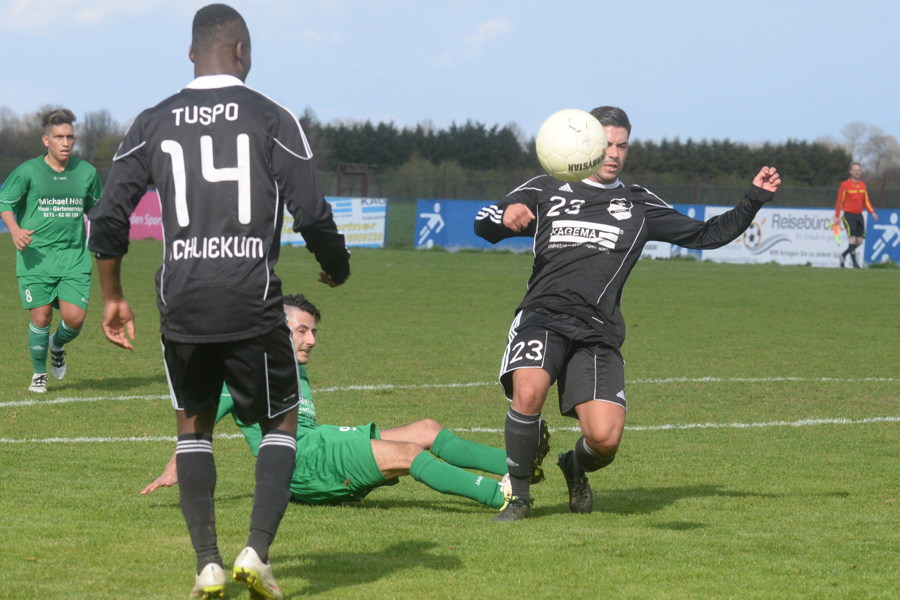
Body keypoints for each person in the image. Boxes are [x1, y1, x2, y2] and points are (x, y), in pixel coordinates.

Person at [87, 5, 350, 600]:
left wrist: (113, 296)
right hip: (250, 299)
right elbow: (311, 212)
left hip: (180, 302)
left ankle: (207, 564)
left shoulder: (151, 121)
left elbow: (107, 220)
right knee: (282, 418)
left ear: (190, 54)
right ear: (241, 51)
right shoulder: (272, 116)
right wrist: (337, 267)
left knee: (194, 426)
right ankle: (255, 553)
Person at [474, 106, 782, 521]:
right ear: (587, 144)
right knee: (529, 391)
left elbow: (706, 234)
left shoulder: (638, 203)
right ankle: (520, 499)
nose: (614, 153)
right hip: (543, 315)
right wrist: (504, 215)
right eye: (606, 144)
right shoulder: (547, 187)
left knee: (604, 440)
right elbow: (485, 223)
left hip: (597, 329)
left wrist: (754, 199)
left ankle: (573, 465)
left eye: (622, 145)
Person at [142, 294, 516, 510]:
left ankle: (519, 465)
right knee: (408, 453)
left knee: (426, 430)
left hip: (320, 445)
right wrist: (176, 466)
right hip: (300, 465)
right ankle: (499, 495)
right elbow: (200, 422)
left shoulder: (291, 366)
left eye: (314, 331)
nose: (312, 340)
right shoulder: (245, 371)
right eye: (302, 331)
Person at [0, 108, 103, 394]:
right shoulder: (28, 171)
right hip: (36, 258)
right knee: (41, 317)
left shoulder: (87, 172)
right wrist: (15, 230)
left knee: (75, 320)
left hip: (74, 258)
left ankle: (56, 344)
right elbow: (5, 202)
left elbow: (97, 208)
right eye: (59, 137)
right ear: (46, 140)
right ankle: (39, 373)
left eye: (70, 137)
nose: (65, 142)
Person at [834, 162, 877, 268]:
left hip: (859, 215)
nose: (857, 172)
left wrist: (872, 211)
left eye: (858, 170)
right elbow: (840, 201)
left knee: (860, 241)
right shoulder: (845, 185)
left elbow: (866, 200)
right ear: (850, 172)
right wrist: (837, 216)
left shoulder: (863, 185)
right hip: (849, 215)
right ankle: (855, 264)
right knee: (852, 238)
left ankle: (843, 255)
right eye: (855, 170)